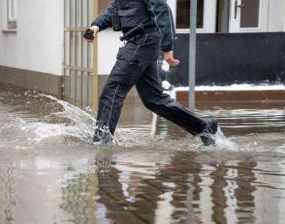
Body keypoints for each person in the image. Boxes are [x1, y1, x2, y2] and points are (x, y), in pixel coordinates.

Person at [85, 0, 219, 146]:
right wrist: (97, 25)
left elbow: (162, 11)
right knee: (153, 99)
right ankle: (203, 128)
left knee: (113, 89)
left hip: (143, 41)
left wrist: (167, 48)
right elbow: (115, 9)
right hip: (138, 42)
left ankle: (102, 141)